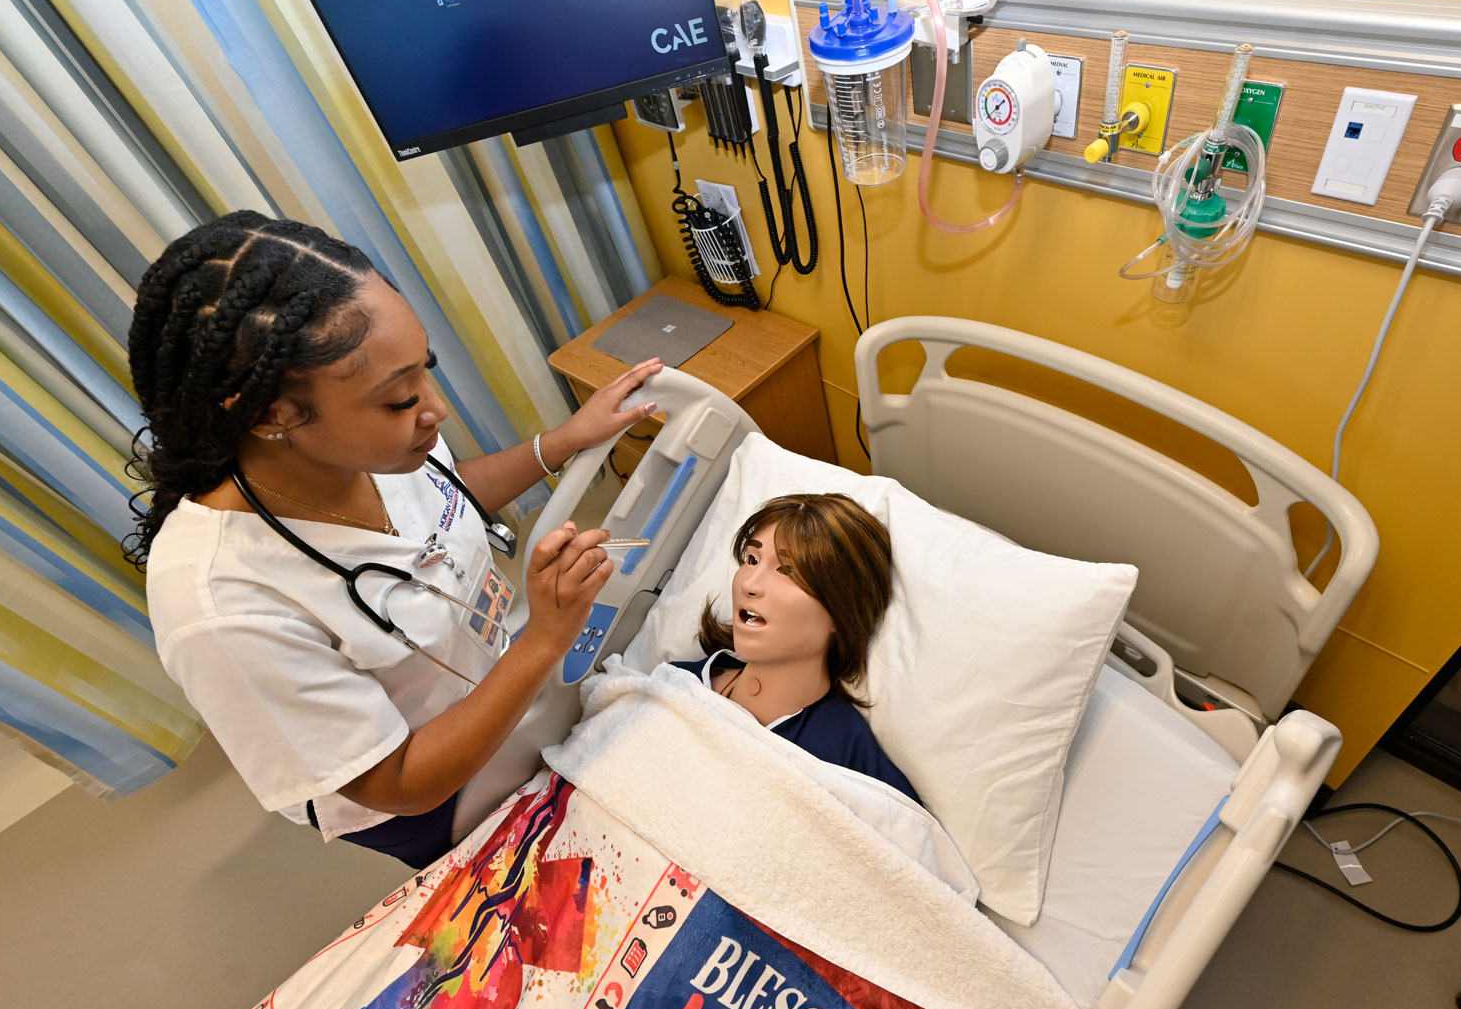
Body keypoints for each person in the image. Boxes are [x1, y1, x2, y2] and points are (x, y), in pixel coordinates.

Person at [128, 210, 650, 865]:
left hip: (505, 684)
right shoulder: (223, 609)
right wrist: (545, 639)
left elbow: (444, 499)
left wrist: (563, 443)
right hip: (430, 793)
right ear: (272, 417)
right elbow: (398, 784)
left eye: (423, 372)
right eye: (400, 399)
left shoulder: (381, 451)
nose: (436, 409)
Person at [672, 493, 917, 803]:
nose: (751, 584)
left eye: (787, 571)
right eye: (752, 560)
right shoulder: (674, 685)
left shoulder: (847, 756)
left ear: (842, 610)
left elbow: (908, 845)